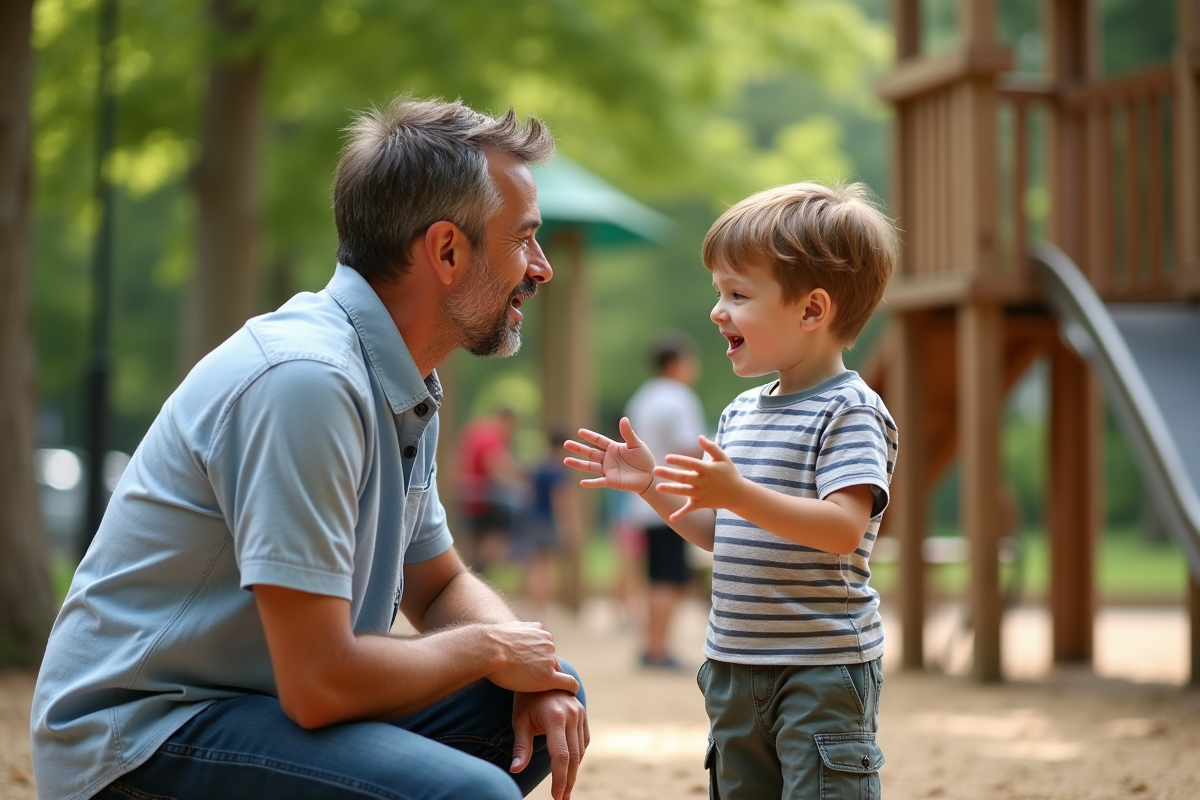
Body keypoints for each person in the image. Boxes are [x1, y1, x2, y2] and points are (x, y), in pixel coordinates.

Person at [31, 97, 588, 800]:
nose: (540, 267)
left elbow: (440, 585)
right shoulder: (307, 382)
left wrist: (530, 671)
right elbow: (321, 684)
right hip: (139, 737)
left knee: (542, 700)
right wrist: (492, 647)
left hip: (254, 708)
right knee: (474, 793)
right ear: (447, 250)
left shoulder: (399, 379)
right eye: (524, 239)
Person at [564, 182, 898, 799]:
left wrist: (739, 494)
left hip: (821, 666)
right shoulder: (740, 412)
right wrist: (652, 488)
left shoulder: (850, 410)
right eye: (719, 292)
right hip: (733, 664)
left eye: (738, 295)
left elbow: (842, 529)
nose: (718, 311)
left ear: (812, 310)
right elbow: (721, 533)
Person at [624, 333, 706, 669]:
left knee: (656, 576)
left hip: (646, 498)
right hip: (673, 499)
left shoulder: (642, 398)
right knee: (669, 579)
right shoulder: (678, 397)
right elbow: (689, 447)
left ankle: (651, 644)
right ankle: (658, 648)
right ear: (676, 363)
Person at [517, 429, 579, 618]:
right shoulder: (558, 471)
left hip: (534, 520)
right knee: (545, 568)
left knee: (535, 566)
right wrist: (567, 527)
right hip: (549, 523)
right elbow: (560, 501)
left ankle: (535, 608)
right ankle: (542, 609)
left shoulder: (539, 468)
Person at [456, 406, 524, 571]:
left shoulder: (477, 431)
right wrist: (520, 481)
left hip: (470, 495)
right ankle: (480, 570)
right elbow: (494, 464)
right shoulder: (493, 436)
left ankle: (468, 571)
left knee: (473, 537)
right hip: (485, 497)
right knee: (500, 531)